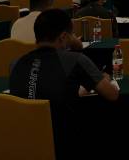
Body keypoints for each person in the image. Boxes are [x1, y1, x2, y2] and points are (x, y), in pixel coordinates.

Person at [10, 9, 119, 158]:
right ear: (63, 37)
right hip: (65, 143)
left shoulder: (15, 63)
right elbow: (112, 95)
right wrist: (104, 77)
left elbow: (44, 88)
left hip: (23, 144)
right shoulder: (75, 60)